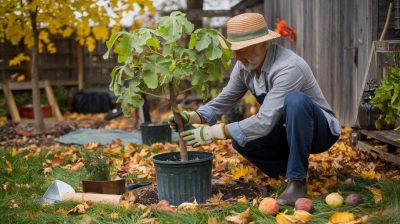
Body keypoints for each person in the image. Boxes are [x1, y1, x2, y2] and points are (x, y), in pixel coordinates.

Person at [168, 12, 340, 205]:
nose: (238, 56)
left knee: (296, 101)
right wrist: (193, 116)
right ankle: (291, 170)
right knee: (241, 140)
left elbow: (265, 121)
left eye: (244, 48)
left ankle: (296, 182)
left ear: (263, 43)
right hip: (286, 128)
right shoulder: (244, 66)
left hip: (319, 132)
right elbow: (226, 98)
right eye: (235, 49)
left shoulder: (289, 67)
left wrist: (216, 132)